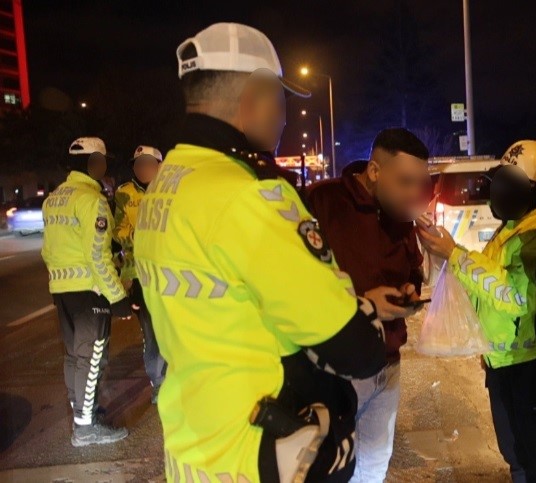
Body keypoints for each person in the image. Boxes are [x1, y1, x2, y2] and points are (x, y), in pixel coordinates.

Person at [134, 23, 398, 482]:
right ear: (252, 94)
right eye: (280, 98)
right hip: (255, 453)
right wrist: (366, 318)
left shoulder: (164, 186)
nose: (282, 115)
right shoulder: (249, 196)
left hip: (191, 449)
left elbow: (232, 305)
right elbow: (353, 348)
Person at [419, 140, 536, 483]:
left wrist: (456, 255)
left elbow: (514, 297)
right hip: (508, 364)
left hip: (534, 370)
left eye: (510, 184)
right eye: (498, 181)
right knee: (519, 456)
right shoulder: (516, 226)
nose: (498, 191)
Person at [306, 128, 431, 482]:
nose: (413, 194)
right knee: (329, 469)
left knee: (373, 469)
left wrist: (410, 289)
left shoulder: (400, 214)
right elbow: (294, 286)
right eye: (405, 181)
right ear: (375, 171)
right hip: (335, 369)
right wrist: (361, 305)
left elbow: (411, 269)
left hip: (387, 367)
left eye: (419, 184)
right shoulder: (321, 203)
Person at [41, 136, 134, 447]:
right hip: (89, 291)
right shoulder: (90, 200)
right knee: (92, 357)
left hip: (63, 289)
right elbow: (98, 255)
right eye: (103, 160)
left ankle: (83, 410)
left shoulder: (53, 198)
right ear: (94, 163)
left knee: (74, 356)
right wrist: (117, 296)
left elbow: (48, 250)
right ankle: (85, 428)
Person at [112, 145, 166, 404]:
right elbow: (118, 232)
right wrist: (143, 235)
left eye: (147, 163)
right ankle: (158, 383)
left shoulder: (171, 191)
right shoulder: (124, 193)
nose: (142, 168)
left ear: (159, 165)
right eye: (138, 164)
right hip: (140, 276)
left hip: (171, 274)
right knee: (151, 332)